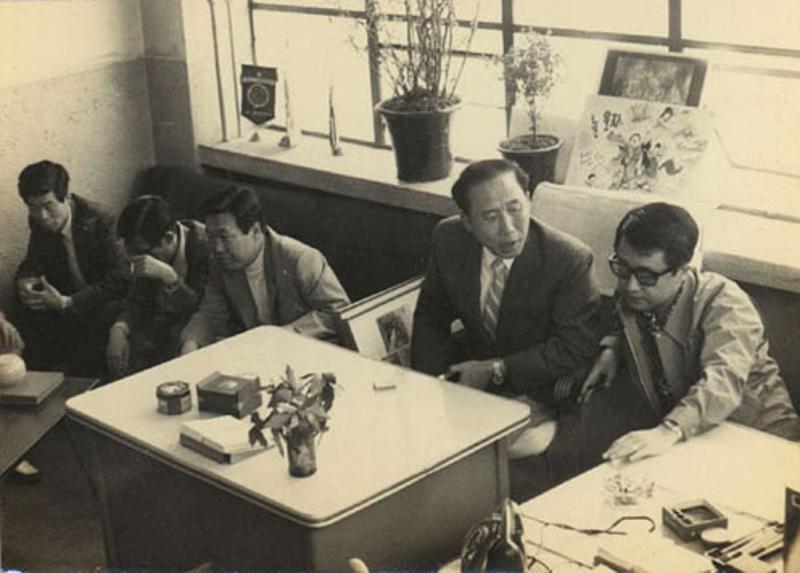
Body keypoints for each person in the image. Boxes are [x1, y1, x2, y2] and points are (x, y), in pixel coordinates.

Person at [410, 159, 603, 468]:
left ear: (528, 199)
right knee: (418, 440)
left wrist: (496, 369)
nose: (509, 229)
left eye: (515, 209)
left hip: (539, 387)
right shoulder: (449, 238)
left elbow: (574, 347)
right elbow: (431, 314)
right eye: (490, 216)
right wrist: (429, 385)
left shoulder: (568, 259)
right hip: (473, 382)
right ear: (467, 221)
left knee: (472, 459)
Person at [581, 202, 800, 464]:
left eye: (646, 275)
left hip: (761, 440)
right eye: (622, 268)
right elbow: (623, 315)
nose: (631, 286)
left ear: (682, 270)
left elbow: (723, 379)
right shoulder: (636, 291)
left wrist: (668, 431)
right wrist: (612, 348)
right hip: (689, 441)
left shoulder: (727, 303)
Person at [179, 186, 350, 352]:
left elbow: (337, 312)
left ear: (255, 231)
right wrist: (191, 342)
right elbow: (210, 314)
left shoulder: (301, 259)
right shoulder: (222, 263)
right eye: (211, 237)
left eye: (224, 237)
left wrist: (282, 335)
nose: (217, 248)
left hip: (308, 351)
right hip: (259, 354)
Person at [12, 160, 129, 377]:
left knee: (102, 318)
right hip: (65, 297)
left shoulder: (102, 219)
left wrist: (69, 302)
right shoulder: (38, 220)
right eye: (33, 208)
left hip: (101, 300)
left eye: (48, 206)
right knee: (24, 305)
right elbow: (33, 261)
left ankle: (83, 381)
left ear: (66, 197)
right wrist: (25, 281)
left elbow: (120, 279)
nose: (42, 216)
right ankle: (45, 382)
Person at [106, 196, 210, 377]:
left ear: (168, 238)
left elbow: (203, 310)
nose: (137, 259)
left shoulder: (206, 245)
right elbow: (138, 299)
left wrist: (170, 278)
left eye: (142, 252)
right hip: (160, 326)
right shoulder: (144, 248)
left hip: (193, 330)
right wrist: (119, 328)